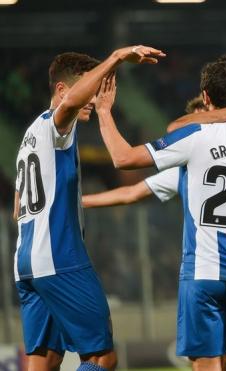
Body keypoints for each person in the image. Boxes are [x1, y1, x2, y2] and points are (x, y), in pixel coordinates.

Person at [94, 61, 226, 371]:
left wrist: (104, 112)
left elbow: (123, 157)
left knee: (207, 362)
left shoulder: (195, 136)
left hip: (203, 270)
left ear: (206, 98)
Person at [13, 45, 164, 371]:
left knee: (45, 360)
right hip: (59, 256)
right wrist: (116, 58)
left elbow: (17, 208)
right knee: (101, 357)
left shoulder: (29, 137)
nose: (94, 99)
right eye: (90, 89)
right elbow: (69, 104)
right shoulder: (57, 125)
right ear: (63, 88)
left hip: (25, 262)